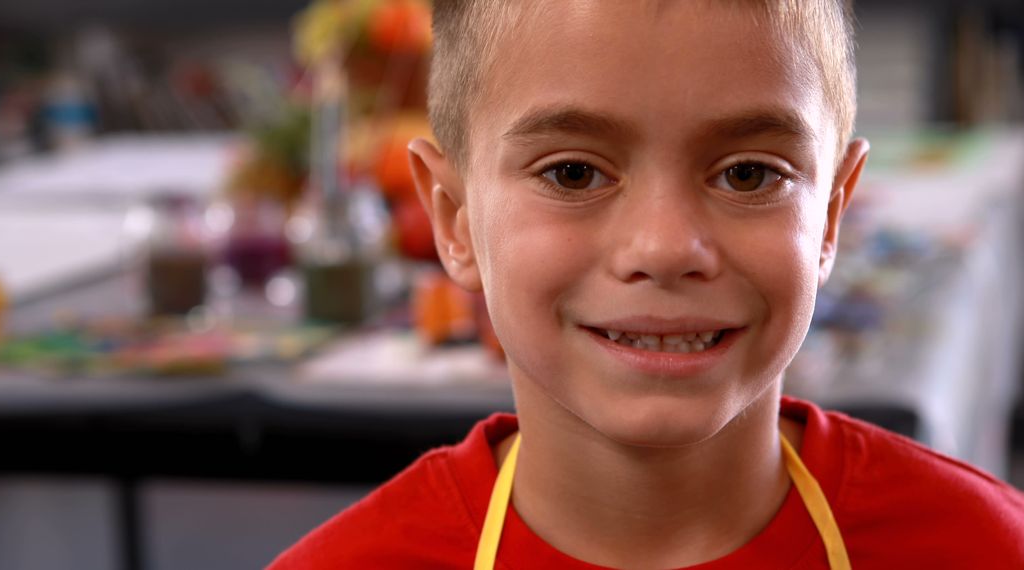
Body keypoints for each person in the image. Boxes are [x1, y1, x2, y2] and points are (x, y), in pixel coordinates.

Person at [269, 0, 1024, 567]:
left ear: (830, 215)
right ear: (456, 218)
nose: (664, 249)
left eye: (748, 174)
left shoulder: (984, 549)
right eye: (573, 172)